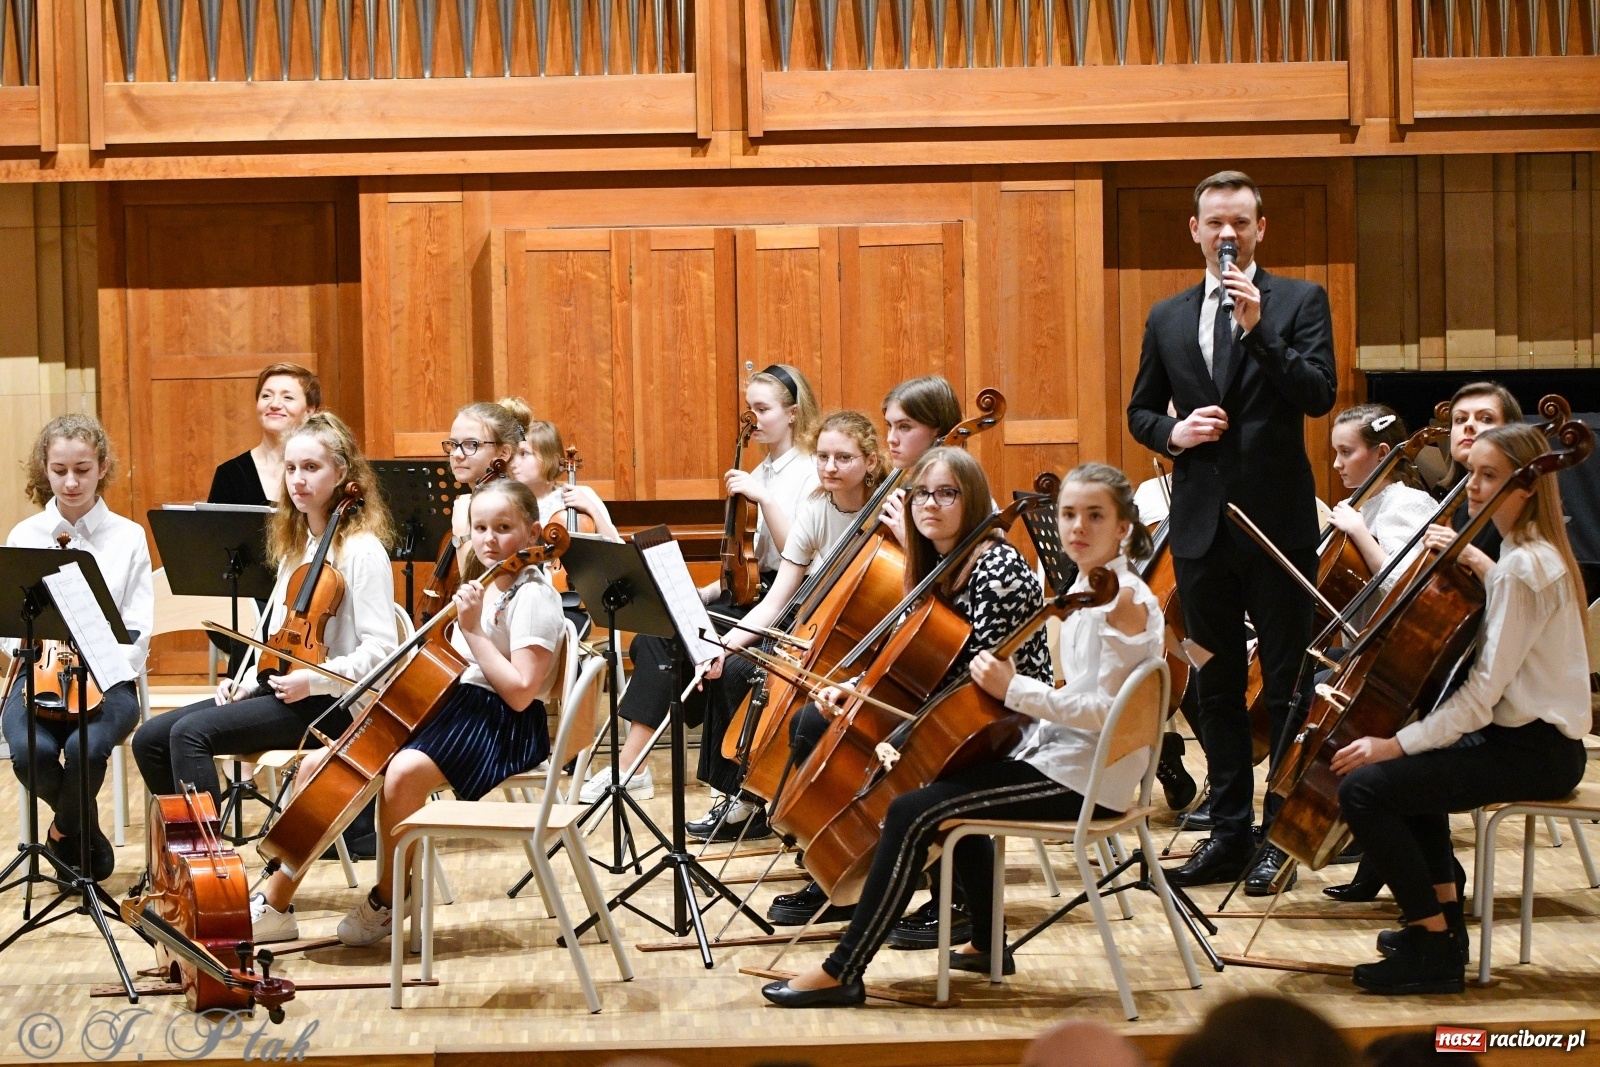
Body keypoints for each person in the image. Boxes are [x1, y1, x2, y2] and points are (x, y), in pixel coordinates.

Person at [759, 460, 1144, 1007]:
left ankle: (844, 969)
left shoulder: (1122, 603)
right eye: (1068, 516)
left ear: (1123, 526)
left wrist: (1016, 689)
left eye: (1095, 516)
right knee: (941, 786)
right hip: (1052, 750)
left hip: (1081, 775)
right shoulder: (1089, 589)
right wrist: (864, 693)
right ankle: (987, 943)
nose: (1077, 528)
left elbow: (1103, 712)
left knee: (913, 809)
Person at [1126, 169, 1337, 889]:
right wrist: (1175, 432)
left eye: (1239, 223)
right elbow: (1140, 412)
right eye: (1214, 222)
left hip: (1277, 524)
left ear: (1259, 230)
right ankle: (1227, 830)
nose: (1226, 234)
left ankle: (1281, 830)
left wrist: (1260, 331)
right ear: (1195, 229)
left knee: (1286, 685)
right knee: (1213, 683)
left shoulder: (1301, 301)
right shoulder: (1167, 315)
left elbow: (1318, 393)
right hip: (1200, 530)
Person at [1332, 422, 1591, 995]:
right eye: (1472, 471)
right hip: (1533, 744)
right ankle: (1443, 925)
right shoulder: (1524, 558)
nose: (1473, 486)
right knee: (1409, 773)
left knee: (1366, 788)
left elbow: (1479, 697)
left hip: (1535, 752)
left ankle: (1433, 945)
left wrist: (1395, 742)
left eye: (1490, 476)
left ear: (1525, 486)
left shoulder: (1524, 567)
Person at [252, 479, 564, 946]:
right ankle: (275, 901)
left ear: (533, 531)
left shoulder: (533, 595)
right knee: (320, 764)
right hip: (453, 705)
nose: (490, 540)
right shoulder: (479, 585)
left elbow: (521, 692)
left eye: (504, 527)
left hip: (502, 724)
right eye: (480, 528)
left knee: (402, 773)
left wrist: (474, 631)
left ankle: (392, 895)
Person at [131, 413, 398, 936]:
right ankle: (180, 867)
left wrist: (315, 679)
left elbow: (382, 653)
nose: (298, 479)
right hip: (284, 692)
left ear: (345, 475)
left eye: (312, 467)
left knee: (191, 734)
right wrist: (245, 677)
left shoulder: (363, 551)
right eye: (291, 468)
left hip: (332, 704)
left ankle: (215, 887)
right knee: (150, 737)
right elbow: (277, 639)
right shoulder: (296, 547)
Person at [578, 364, 820, 805]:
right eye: (750, 409)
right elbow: (743, 558)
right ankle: (635, 764)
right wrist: (706, 592)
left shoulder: (809, 472)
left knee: (692, 648)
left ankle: (642, 767)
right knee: (655, 634)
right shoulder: (762, 469)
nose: (752, 419)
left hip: (787, 598)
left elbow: (800, 555)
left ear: (793, 412)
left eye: (763, 409)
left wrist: (764, 499)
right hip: (748, 593)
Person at [1247, 405, 1437, 895]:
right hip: (1359, 655)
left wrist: (1356, 532)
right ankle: (1373, 856)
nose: (1337, 464)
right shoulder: (1369, 502)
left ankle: (1280, 842)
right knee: (1298, 694)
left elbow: (1402, 585)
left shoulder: (1407, 503)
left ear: (1381, 454)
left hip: (1394, 665)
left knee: (1301, 709)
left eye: (1346, 452)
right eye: (1335, 453)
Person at [688, 410, 890, 841]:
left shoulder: (888, 511)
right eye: (822, 457)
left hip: (864, 635)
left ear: (871, 462)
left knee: (761, 680)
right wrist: (722, 647)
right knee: (735, 669)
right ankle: (741, 798)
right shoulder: (817, 507)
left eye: (844, 458)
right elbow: (778, 599)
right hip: (814, 620)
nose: (830, 467)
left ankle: (780, 797)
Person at [2, 415, 152, 883]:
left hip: (108, 680)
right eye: (59, 470)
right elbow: (8, 631)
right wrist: (26, 649)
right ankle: (85, 828)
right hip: (36, 676)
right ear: (44, 469)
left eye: (83, 470)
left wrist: (102, 667)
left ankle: (63, 831)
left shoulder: (127, 537)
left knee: (86, 750)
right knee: (29, 752)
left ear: (102, 466)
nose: (70, 482)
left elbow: (137, 630)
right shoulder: (24, 536)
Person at [207, 363, 321, 507]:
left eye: (288, 397)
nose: (274, 404)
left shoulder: (324, 472)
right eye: (266, 396)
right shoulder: (230, 475)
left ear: (309, 411)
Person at [440, 401, 524, 584]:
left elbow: (478, 588)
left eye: (471, 445)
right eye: (453, 445)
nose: (457, 454)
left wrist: (462, 529)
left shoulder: (509, 508)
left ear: (503, 453)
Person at [507, 414, 620, 540]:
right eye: (513, 455)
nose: (513, 463)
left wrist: (592, 509)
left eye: (524, 454)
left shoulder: (582, 494)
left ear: (550, 459)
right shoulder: (510, 503)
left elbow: (617, 546)